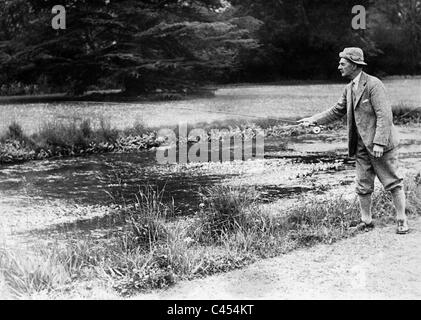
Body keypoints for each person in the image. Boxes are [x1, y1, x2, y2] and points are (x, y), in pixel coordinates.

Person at [298, 47, 409, 234]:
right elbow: (336, 111)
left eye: (342, 63)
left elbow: (385, 115)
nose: (339, 66)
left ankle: (401, 219)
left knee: (392, 182)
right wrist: (312, 119)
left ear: (354, 65)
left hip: (380, 145)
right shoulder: (349, 88)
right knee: (363, 184)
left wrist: (379, 143)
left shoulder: (374, 85)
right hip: (361, 146)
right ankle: (366, 221)